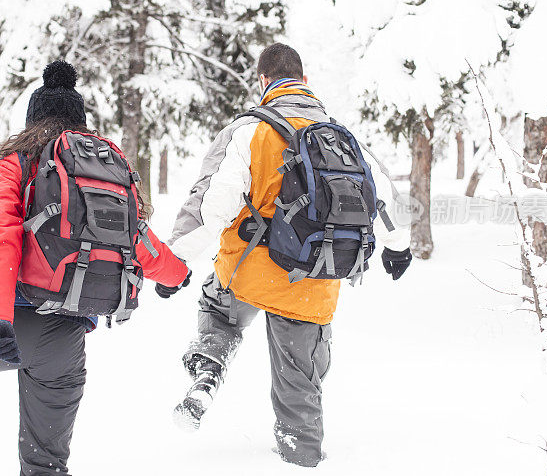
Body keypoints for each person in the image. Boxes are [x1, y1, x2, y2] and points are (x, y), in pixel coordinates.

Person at [0, 60, 190, 476]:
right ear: (79, 120)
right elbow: (138, 238)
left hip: (13, 317)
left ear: (33, 118)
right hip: (66, 338)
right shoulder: (105, 169)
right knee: (45, 465)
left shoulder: (18, 161)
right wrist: (177, 275)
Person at [167, 43, 412, 467]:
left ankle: (208, 367)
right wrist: (398, 249)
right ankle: (301, 455)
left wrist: (174, 262)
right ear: (303, 81)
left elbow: (210, 205)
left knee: (219, 309)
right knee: (300, 387)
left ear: (263, 81)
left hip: (248, 272)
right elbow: (386, 196)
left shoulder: (249, 130)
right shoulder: (341, 137)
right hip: (314, 279)